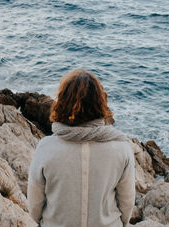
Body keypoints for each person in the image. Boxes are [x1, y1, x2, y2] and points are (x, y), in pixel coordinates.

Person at [27, 68, 135, 227]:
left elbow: (35, 207)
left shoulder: (46, 148)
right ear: (101, 103)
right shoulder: (121, 147)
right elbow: (126, 204)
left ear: (62, 103)